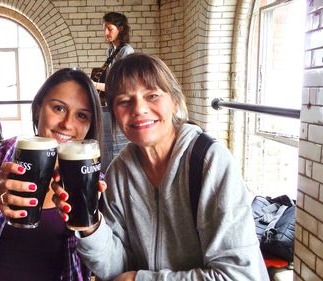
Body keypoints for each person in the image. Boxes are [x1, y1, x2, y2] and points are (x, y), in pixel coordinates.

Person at [52, 54, 269, 280]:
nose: (139, 109)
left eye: (152, 95)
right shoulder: (119, 173)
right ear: (114, 113)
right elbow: (116, 268)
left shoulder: (210, 162)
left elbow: (239, 276)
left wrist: (139, 279)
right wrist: (91, 226)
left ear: (174, 102)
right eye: (125, 101)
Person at [0, 68, 102, 281]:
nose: (67, 124)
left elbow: (104, 263)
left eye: (82, 115)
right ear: (38, 109)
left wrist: (93, 225)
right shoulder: (5, 153)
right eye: (58, 108)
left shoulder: (93, 180)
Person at [93, 12, 134, 171]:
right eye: (105, 29)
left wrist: (95, 85)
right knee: (109, 147)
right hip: (112, 105)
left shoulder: (126, 51)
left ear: (120, 29)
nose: (106, 33)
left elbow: (121, 86)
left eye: (110, 29)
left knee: (120, 148)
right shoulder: (111, 51)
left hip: (123, 106)